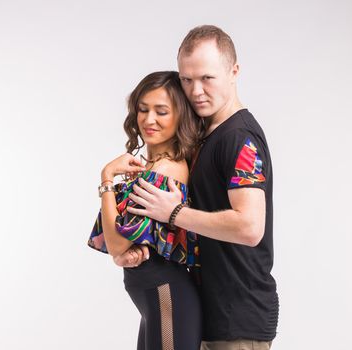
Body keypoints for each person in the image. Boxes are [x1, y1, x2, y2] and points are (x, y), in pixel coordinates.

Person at [118, 25, 279, 350]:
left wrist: (174, 212)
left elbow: (249, 227)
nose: (196, 90)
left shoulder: (239, 139)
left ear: (233, 72)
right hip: (208, 312)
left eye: (207, 78)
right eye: (187, 79)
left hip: (238, 320)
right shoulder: (207, 134)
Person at [88, 71, 204, 350]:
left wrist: (106, 177)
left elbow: (116, 244)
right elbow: (120, 244)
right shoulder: (151, 167)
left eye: (161, 111)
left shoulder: (164, 172)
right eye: (143, 109)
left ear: (180, 116)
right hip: (158, 302)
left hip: (168, 298)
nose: (149, 120)